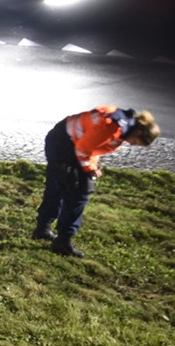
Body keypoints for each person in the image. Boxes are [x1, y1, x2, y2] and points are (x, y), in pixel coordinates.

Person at [34, 106, 159, 257]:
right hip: (65, 144)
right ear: (138, 132)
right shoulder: (113, 127)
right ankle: (62, 241)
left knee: (58, 186)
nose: (132, 144)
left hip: (62, 138)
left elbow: (93, 146)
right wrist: (89, 169)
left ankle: (43, 228)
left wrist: (91, 166)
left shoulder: (123, 122)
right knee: (79, 194)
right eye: (136, 142)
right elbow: (83, 149)